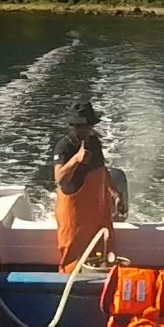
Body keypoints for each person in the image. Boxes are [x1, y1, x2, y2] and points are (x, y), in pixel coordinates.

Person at [51, 100, 119, 273]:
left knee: (101, 244)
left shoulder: (94, 142)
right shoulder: (63, 147)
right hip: (73, 209)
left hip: (96, 205)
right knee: (71, 248)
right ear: (72, 126)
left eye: (87, 126)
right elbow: (59, 178)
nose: (84, 130)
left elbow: (102, 169)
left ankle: (102, 275)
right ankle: (69, 279)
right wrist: (76, 159)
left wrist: (114, 192)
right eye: (79, 126)